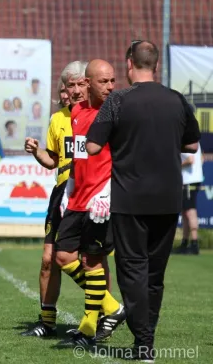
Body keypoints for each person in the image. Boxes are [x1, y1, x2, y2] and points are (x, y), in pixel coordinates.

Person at [86, 41, 201, 361]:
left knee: (132, 270)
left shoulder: (119, 100)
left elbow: (93, 148)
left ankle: (144, 342)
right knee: (155, 273)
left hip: (130, 200)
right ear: (157, 64)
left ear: (128, 63)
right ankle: (146, 338)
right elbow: (192, 144)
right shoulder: (177, 100)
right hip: (167, 199)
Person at [54, 59, 126, 348]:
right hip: (77, 199)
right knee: (63, 257)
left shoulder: (118, 113)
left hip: (100, 202)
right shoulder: (76, 112)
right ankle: (112, 308)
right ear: (88, 83)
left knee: (92, 262)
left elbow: (121, 158)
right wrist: (69, 190)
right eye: (103, 82)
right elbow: (79, 157)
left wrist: (107, 193)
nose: (110, 87)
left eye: (112, 81)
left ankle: (87, 329)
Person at [22, 61, 87, 338]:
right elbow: (53, 160)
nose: (74, 90)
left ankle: (103, 311)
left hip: (90, 193)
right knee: (48, 258)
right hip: (61, 194)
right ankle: (47, 322)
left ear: (89, 84)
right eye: (69, 85)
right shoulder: (58, 119)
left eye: (79, 84)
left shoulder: (100, 116)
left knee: (90, 260)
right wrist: (37, 152)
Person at [175, 142, 204, 255]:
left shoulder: (184, 140)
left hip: (189, 180)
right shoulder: (192, 139)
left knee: (190, 211)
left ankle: (194, 243)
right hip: (190, 179)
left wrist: (177, 165)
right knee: (185, 211)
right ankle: (185, 242)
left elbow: (190, 159)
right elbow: (201, 158)